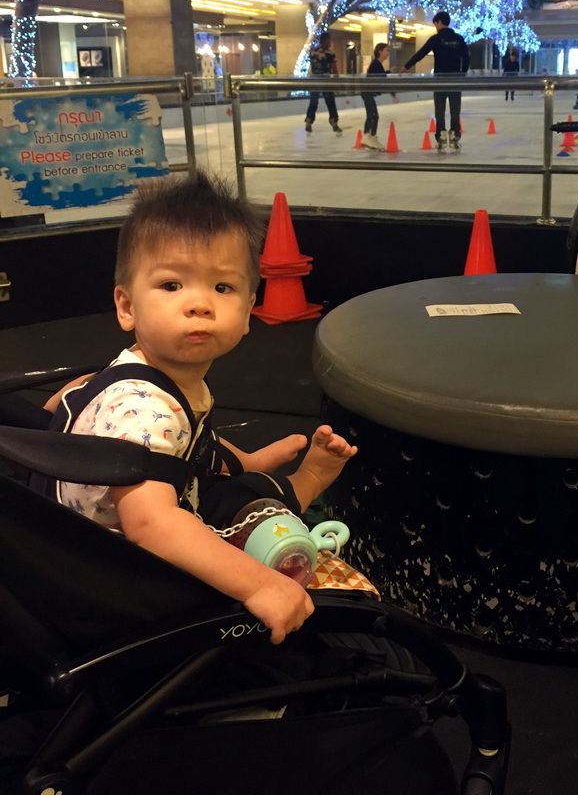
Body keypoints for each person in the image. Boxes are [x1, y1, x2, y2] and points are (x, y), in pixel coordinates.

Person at [47, 173, 358, 644]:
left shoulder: (151, 375)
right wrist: (260, 584)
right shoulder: (143, 407)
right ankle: (302, 487)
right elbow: (151, 524)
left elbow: (182, 436)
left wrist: (242, 461)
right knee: (252, 515)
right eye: (172, 285)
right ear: (126, 306)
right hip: (113, 574)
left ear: (250, 308)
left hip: (100, 532)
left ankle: (264, 477)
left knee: (231, 479)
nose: (198, 304)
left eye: (222, 288)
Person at [399, 11, 469, 151]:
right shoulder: (459, 39)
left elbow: (421, 53)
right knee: (455, 109)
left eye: (435, 24)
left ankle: (441, 134)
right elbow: (466, 58)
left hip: (440, 80)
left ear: (438, 22)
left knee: (440, 109)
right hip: (455, 79)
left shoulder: (436, 39)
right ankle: (455, 134)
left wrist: (406, 66)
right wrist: (462, 73)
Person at [305, 31, 342, 135]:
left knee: (313, 102)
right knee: (330, 102)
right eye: (329, 40)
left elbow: (312, 66)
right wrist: (337, 81)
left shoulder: (312, 52)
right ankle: (334, 122)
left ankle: (309, 121)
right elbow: (334, 69)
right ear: (325, 40)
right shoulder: (330, 54)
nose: (330, 42)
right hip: (326, 80)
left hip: (314, 80)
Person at [361, 42, 389, 150]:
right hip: (367, 91)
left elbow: (381, 76)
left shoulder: (377, 64)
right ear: (380, 51)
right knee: (373, 115)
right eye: (387, 50)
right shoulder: (376, 63)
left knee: (372, 114)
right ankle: (369, 137)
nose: (388, 53)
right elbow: (382, 78)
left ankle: (369, 136)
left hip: (367, 92)